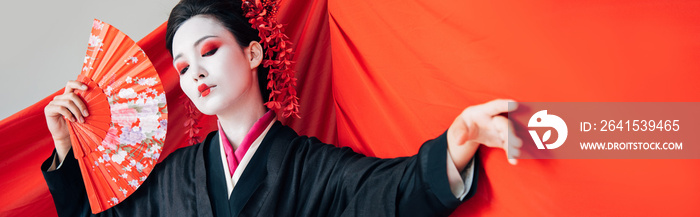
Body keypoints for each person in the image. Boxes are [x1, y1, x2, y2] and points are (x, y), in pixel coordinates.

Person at [41, 0, 522, 216]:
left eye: (208, 51)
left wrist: (456, 142)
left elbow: (389, 192)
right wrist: (67, 149)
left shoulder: (312, 167)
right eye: (183, 67)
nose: (195, 74)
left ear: (252, 53)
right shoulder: (174, 178)